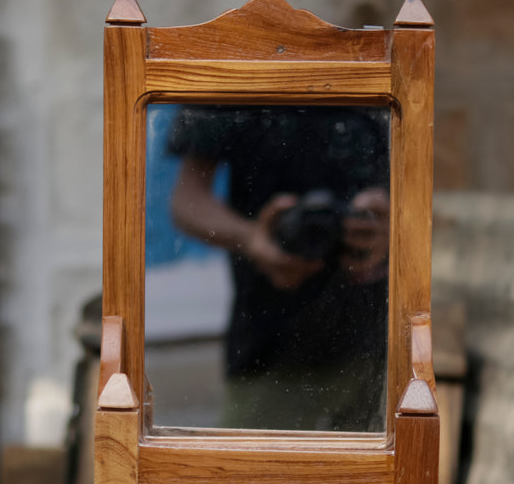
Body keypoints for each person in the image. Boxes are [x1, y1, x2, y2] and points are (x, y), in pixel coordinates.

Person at [166, 104, 390, 431]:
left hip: (376, 349)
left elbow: (431, 185)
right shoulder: (232, 67)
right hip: (266, 347)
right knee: (250, 477)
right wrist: (251, 238)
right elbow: (187, 200)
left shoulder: (384, 62)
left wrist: (393, 227)